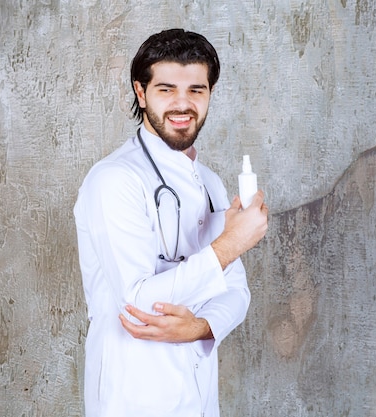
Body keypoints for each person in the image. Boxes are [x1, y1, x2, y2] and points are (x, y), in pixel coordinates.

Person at [74, 28, 268, 417]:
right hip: (133, 397)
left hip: (198, 399)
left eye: (196, 90)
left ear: (210, 93)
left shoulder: (208, 181)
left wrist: (198, 328)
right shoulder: (114, 180)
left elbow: (237, 293)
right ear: (141, 93)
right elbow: (139, 302)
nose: (183, 104)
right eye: (166, 90)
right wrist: (231, 243)